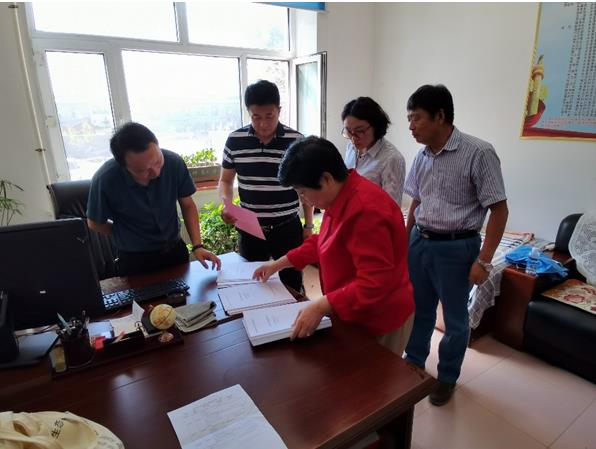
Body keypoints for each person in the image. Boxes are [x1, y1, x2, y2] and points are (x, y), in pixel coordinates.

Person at [253, 136, 415, 357]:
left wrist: (322, 305)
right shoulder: (340, 195)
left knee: (374, 376)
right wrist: (278, 264)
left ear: (326, 178)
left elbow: (374, 282)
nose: (303, 199)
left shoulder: (366, 210)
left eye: (303, 192)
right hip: (352, 309)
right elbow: (323, 241)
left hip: (379, 316)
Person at [403, 84, 508, 406]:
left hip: (456, 248)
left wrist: (484, 260)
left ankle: (447, 376)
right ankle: (413, 362)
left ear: (440, 116)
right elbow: (416, 201)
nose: (411, 126)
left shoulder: (479, 153)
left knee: (455, 319)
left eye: (416, 118)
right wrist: (406, 241)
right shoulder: (421, 155)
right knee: (419, 310)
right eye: (409, 119)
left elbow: (499, 210)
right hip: (420, 242)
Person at [87, 122, 221, 276]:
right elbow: (94, 222)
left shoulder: (173, 163)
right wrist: (123, 232)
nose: (156, 172)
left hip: (174, 251)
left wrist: (198, 246)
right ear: (124, 166)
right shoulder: (105, 179)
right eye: (143, 171)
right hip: (134, 259)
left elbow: (188, 205)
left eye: (158, 161)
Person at [218, 80, 313, 292]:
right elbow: (225, 180)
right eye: (256, 117)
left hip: (287, 227)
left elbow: (306, 187)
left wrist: (308, 225)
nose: (263, 124)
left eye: (269, 116)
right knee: (252, 284)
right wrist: (226, 204)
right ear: (248, 113)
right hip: (250, 228)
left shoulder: (296, 140)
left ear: (279, 110)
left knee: (291, 283)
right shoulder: (235, 141)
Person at [342, 97, 406, 205]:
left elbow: (391, 206)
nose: (353, 138)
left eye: (359, 131)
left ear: (376, 126)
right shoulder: (351, 148)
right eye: (348, 131)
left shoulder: (392, 159)